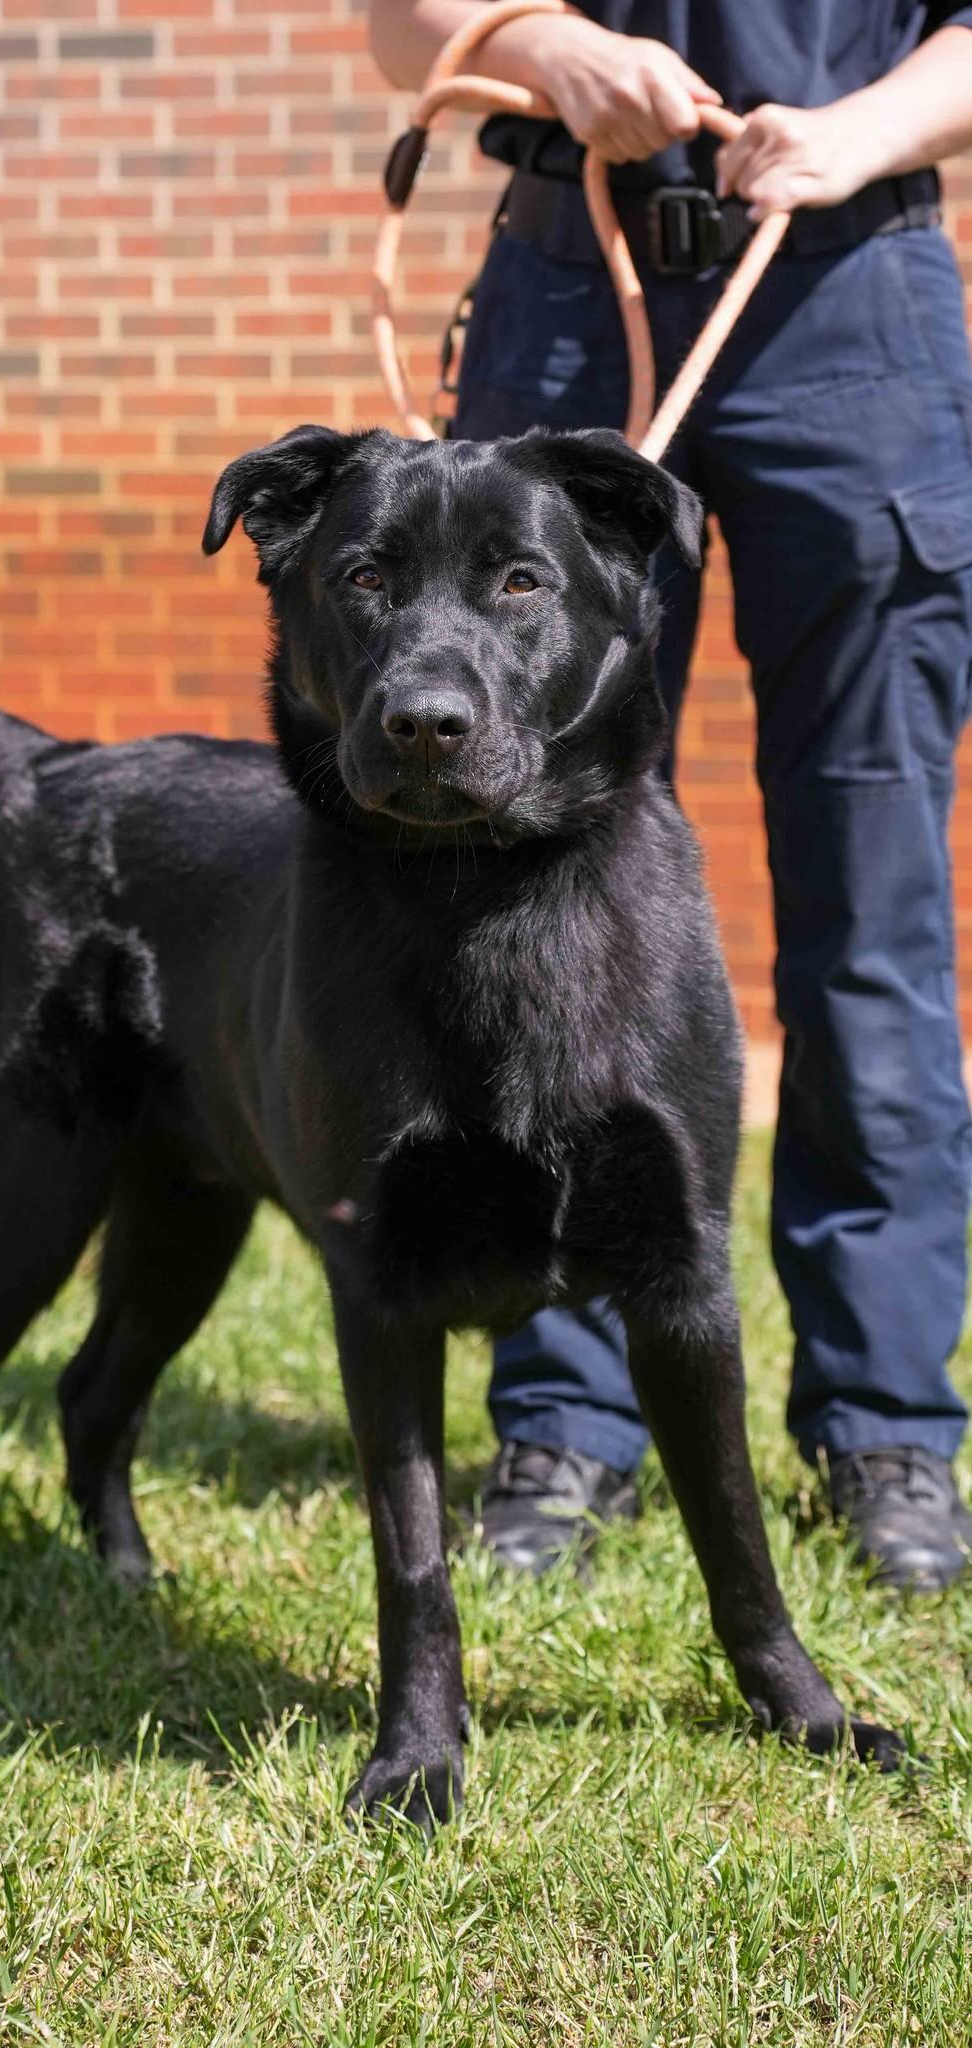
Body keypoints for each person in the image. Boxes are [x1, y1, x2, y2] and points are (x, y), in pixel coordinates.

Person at [369, 1, 972, 1588]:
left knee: (872, 911)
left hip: (849, 300)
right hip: (567, 290)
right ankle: (566, 1414)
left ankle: (886, 1426)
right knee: (530, 895)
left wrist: (862, 129)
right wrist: (536, 41)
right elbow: (399, 16)